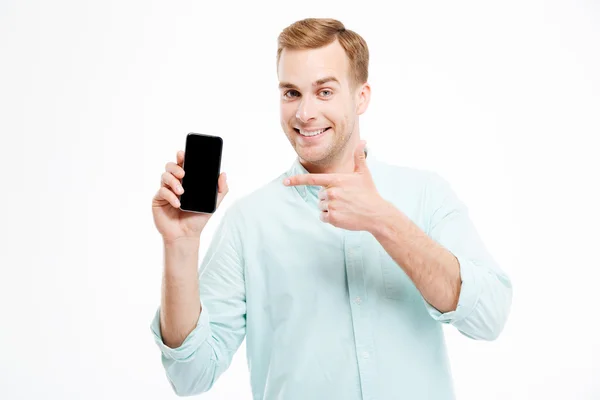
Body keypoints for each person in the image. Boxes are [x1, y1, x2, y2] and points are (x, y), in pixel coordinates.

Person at [150, 17, 512, 400]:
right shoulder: (249, 222)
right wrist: (180, 246)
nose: (304, 113)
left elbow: (488, 316)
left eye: (324, 92)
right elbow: (189, 376)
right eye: (291, 93)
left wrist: (384, 221)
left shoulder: (425, 194)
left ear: (361, 97)